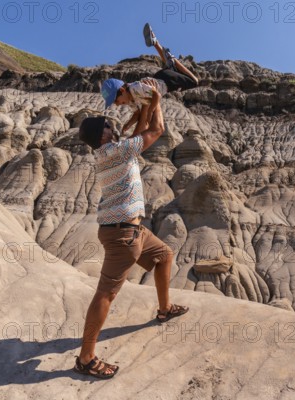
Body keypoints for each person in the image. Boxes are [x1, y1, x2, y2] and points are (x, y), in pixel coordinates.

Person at [75, 84, 188, 379]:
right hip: (122, 235)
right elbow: (157, 130)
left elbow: (139, 129)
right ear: (102, 136)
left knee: (164, 255)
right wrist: (157, 101)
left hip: (131, 229)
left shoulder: (111, 149)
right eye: (107, 126)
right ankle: (86, 358)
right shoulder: (116, 151)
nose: (112, 125)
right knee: (106, 294)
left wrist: (145, 105)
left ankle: (164, 310)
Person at [101, 22, 199, 135]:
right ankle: (158, 47)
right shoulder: (131, 99)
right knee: (170, 68)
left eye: (116, 101)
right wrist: (128, 124)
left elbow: (156, 95)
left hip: (168, 82)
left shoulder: (135, 88)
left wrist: (150, 112)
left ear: (122, 90)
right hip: (161, 78)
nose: (118, 104)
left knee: (194, 81)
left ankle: (171, 57)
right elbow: (137, 114)